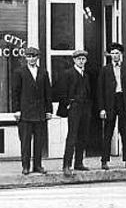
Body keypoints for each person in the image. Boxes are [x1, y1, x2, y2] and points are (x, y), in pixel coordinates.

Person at [12, 47, 53, 175]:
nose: (31, 59)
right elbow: (15, 92)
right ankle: (25, 166)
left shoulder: (43, 72)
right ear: (25, 58)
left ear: (37, 57)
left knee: (39, 141)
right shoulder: (20, 72)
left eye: (34, 56)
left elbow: (48, 92)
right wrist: (17, 110)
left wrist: (48, 110)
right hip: (25, 113)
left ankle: (38, 165)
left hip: (40, 113)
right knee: (25, 141)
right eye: (29, 56)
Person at [97, 42, 126, 171]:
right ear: (110, 55)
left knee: (125, 132)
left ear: (121, 55)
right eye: (112, 53)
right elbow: (100, 90)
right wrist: (102, 108)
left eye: (117, 53)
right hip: (110, 102)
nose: (115, 56)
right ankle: (104, 160)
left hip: (123, 101)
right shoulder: (105, 69)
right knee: (108, 132)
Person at [56, 49, 93, 177]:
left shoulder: (86, 75)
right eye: (79, 59)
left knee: (83, 136)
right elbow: (62, 91)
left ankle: (79, 163)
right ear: (74, 60)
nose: (81, 61)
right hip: (74, 107)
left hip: (85, 108)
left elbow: (89, 92)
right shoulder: (68, 73)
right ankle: (66, 165)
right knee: (72, 136)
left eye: (83, 59)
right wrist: (68, 104)